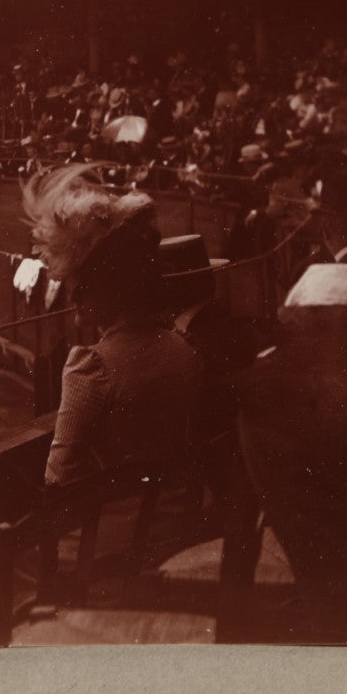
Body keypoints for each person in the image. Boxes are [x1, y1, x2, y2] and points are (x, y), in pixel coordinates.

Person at [21, 164, 205, 487]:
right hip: (181, 521)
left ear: (106, 290)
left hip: (118, 531)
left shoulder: (92, 367)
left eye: (81, 285)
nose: (73, 294)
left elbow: (58, 478)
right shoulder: (184, 347)